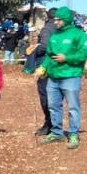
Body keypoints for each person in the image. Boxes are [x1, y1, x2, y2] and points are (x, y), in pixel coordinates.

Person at [40, 6, 87, 149]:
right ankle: (57, 132)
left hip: (71, 76)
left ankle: (73, 133)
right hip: (53, 77)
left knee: (73, 107)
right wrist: (43, 67)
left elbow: (84, 54)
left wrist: (66, 58)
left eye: (58, 20)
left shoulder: (79, 34)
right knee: (53, 106)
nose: (55, 22)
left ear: (67, 19)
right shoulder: (54, 35)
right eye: (55, 19)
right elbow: (49, 56)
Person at [22, 8, 57, 136]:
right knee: (56, 97)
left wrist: (35, 49)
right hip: (60, 67)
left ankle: (49, 125)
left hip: (46, 66)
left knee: (45, 96)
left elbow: (45, 47)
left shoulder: (47, 28)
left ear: (47, 16)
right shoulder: (63, 29)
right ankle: (54, 124)